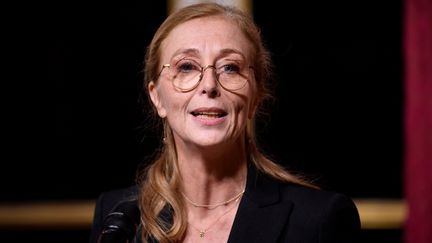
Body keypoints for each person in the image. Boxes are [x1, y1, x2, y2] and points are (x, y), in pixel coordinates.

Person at [89, 2, 361, 243]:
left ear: (256, 96)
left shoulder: (319, 220)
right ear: (157, 97)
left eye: (230, 67)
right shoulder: (117, 215)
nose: (209, 85)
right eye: (187, 66)